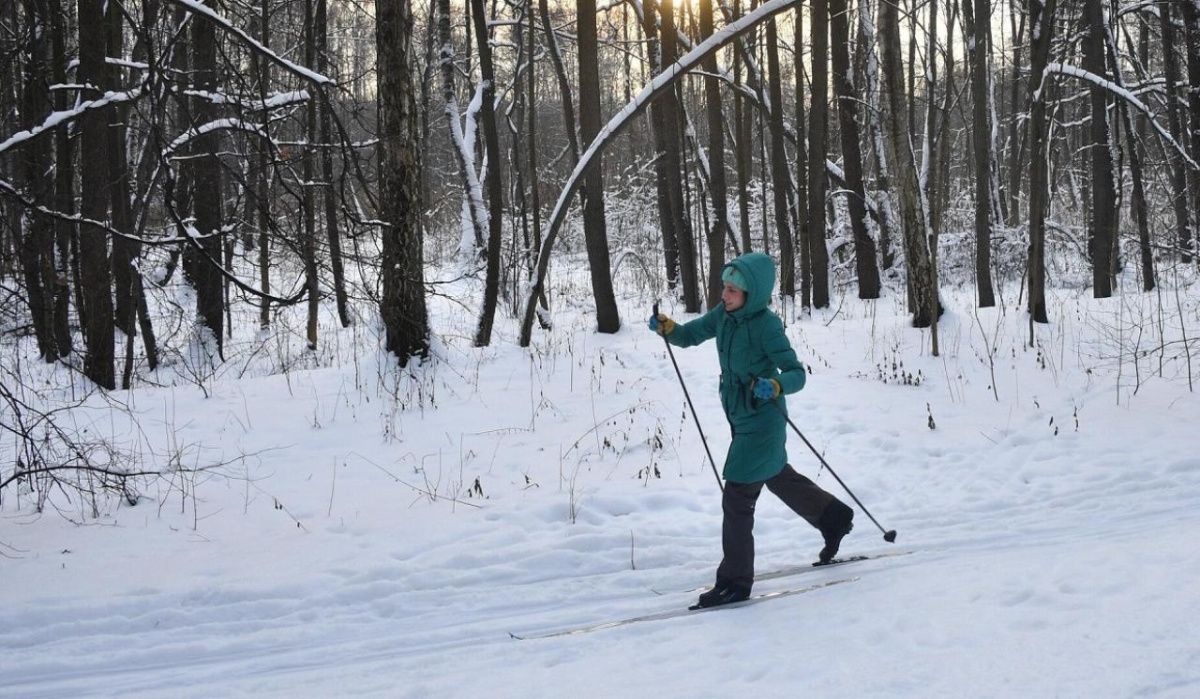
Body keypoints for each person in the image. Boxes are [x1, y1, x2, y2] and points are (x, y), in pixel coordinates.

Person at [649, 251, 854, 608]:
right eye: (724, 287)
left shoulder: (766, 325)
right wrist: (668, 328)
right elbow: (689, 335)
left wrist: (776, 386)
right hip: (739, 414)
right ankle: (833, 517)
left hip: (764, 418)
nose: (725, 295)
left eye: (732, 290)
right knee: (776, 475)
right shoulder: (724, 317)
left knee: (738, 496)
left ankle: (735, 580)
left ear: (752, 294)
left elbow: (796, 373)